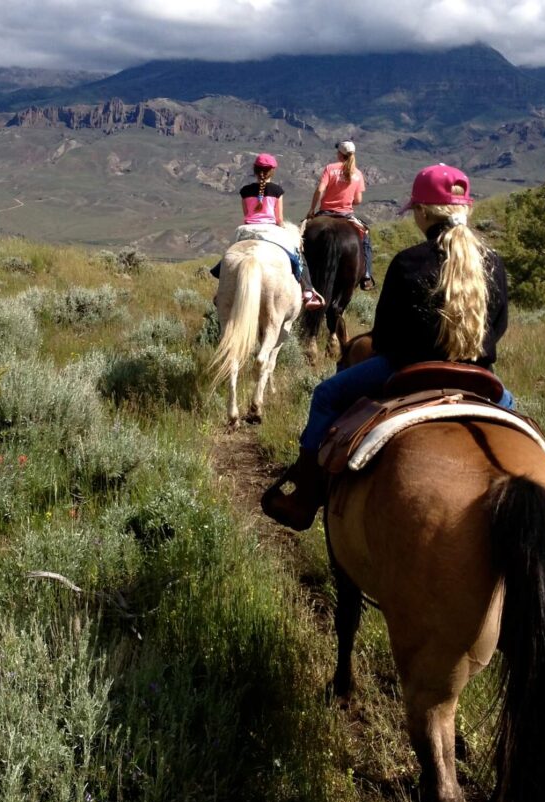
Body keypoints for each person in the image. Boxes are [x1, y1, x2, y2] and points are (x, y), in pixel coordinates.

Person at [263, 163, 514, 530]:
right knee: (517, 420)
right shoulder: (493, 263)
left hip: (406, 370)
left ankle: (304, 493)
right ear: (466, 209)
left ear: (423, 212)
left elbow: (385, 338)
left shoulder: (409, 262)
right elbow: (499, 328)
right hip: (479, 377)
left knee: (326, 396)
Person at [212, 153, 324, 310]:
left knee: (230, 255)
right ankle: (307, 290)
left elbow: (246, 215)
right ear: (273, 171)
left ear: (255, 170)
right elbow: (279, 218)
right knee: (298, 255)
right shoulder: (277, 191)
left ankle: (222, 288)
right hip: (271, 228)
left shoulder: (245, 191)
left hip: (247, 228)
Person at [305, 140, 375, 290]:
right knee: (365, 236)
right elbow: (358, 200)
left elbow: (319, 190)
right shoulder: (357, 173)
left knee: (302, 237)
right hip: (346, 214)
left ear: (339, 154)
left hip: (325, 212)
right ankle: (367, 275)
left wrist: (312, 209)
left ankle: (299, 271)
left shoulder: (330, 168)